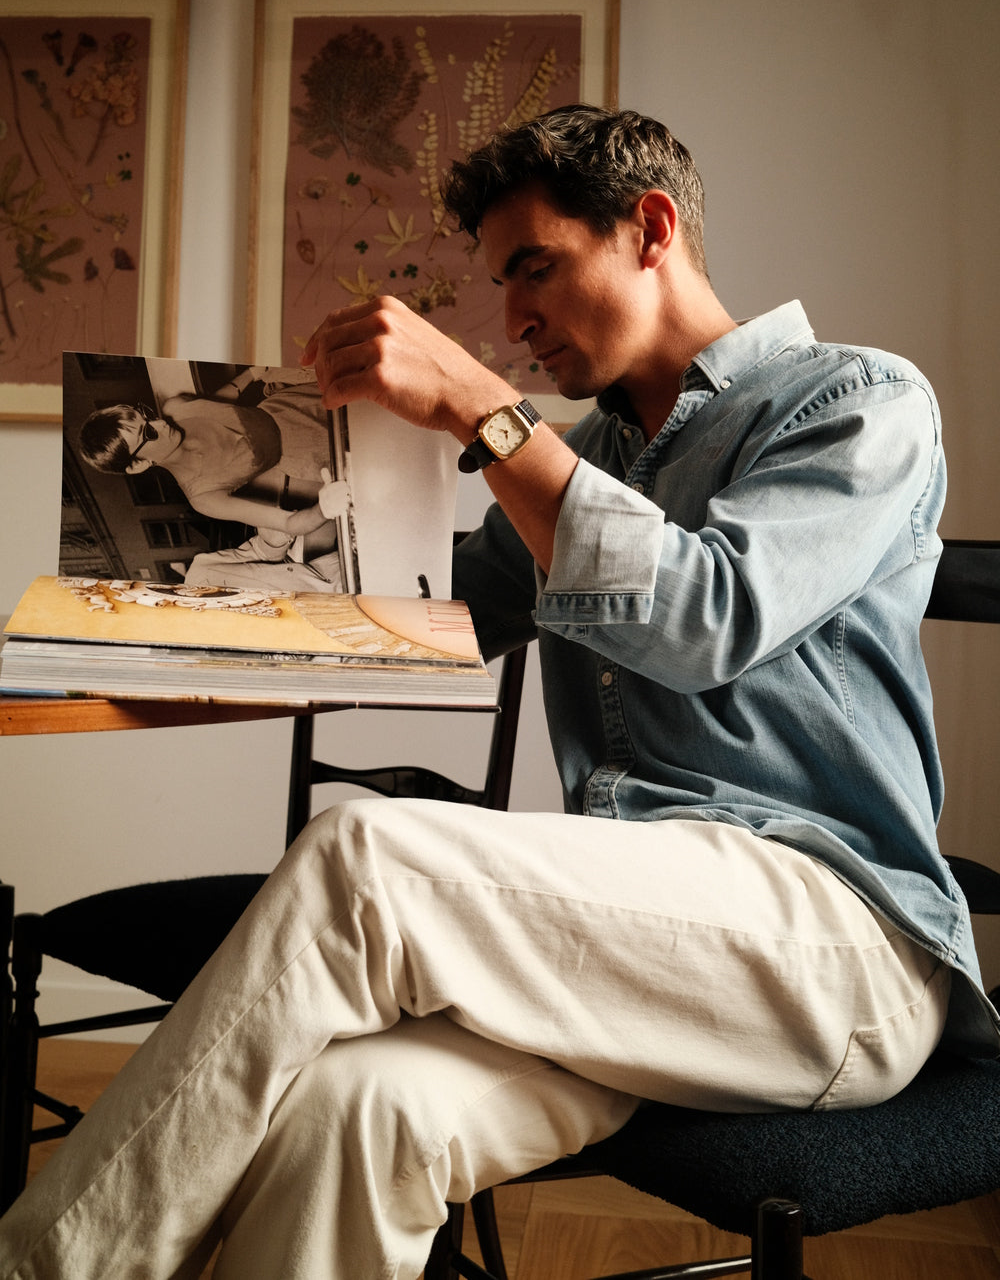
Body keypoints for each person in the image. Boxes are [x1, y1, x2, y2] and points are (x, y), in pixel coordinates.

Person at [2, 104, 997, 1280]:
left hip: (833, 947)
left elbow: (704, 615)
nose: (514, 320)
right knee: (358, 1111)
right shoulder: (592, 454)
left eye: (537, 267)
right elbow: (426, 622)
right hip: (633, 948)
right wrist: (153, 629)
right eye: (501, 283)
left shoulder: (854, 402)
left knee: (364, 861)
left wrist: (484, 408)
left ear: (650, 228)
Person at [77, 365, 350, 543]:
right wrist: (324, 508)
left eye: (146, 416)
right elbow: (290, 524)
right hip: (314, 452)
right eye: (148, 434)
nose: (159, 423)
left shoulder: (175, 407)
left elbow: (217, 403)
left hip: (298, 399)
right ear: (138, 465)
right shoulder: (204, 497)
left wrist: (252, 374)